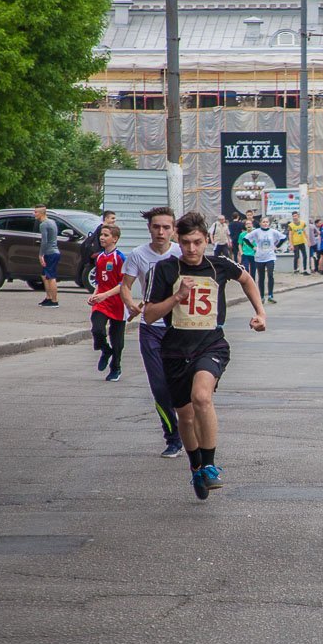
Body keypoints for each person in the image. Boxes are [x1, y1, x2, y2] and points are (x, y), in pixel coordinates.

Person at [144, 212, 267, 500]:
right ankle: (196, 467)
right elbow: (149, 315)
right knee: (185, 418)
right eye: (186, 242)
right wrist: (176, 298)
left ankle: (210, 465)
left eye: (197, 242)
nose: (191, 249)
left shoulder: (219, 265)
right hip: (175, 349)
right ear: (178, 240)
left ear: (207, 240)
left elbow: (247, 279)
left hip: (211, 344)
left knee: (202, 397)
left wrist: (260, 312)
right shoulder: (164, 270)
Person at [120, 206, 186, 459]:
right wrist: (130, 304)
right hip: (152, 328)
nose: (161, 232)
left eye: (166, 227)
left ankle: (190, 428)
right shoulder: (138, 255)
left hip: (181, 327)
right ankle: (173, 438)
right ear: (149, 228)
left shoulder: (182, 253)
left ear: (173, 230)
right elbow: (126, 286)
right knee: (159, 387)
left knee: (184, 386)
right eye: (156, 227)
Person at [88, 223, 128, 382]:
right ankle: (105, 349)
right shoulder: (99, 257)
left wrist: (105, 295)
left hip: (118, 302)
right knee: (97, 328)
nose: (102, 238)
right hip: (102, 302)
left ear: (115, 239)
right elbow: (99, 280)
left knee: (117, 339)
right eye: (101, 235)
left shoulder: (120, 258)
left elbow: (123, 284)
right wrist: (95, 294)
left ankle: (116, 367)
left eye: (106, 235)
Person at [246, 216, 286, 304]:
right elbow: (246, 239)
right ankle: (262, 296)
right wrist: (253, 247)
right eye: (263, 222)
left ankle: (271, 295)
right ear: (260, 223)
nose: (265, 224)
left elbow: (283, 237)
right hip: (260, 257)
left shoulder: (272, 232)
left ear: (269, 223)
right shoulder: (256, 232)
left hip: (270, 256)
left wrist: (277, 246)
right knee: (261, 277)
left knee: (270, 274)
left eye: (266, 222)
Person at [33, 205, 61, 308]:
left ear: (41, 213)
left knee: (51, 277)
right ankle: (48, 297)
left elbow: (44, 241)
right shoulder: (52, 222)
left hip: (50, 252)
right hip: (54, 251)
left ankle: (54, 301)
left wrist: (41, 255)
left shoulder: (44, 224)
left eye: (36, 212)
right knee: (44, 276)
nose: (34, 214)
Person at [237, 215, 257, 284]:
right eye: (247, 224)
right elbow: (239, 244)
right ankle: (247, 282)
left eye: (250, 224)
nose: (248, 225)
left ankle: (253, 283)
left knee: (253, 270)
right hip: (245, 254)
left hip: (253, 254)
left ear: (252, 225)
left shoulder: (255, 233)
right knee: (246, 268)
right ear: (245, 226)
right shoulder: (242, 234)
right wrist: (241, 252)